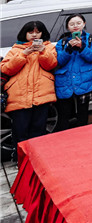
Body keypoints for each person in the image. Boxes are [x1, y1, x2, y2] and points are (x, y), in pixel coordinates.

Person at [1, 21, 58, 155]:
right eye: (30, 32)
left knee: (38, 131)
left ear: (42, 34)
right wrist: (24, 54)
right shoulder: (15, 49)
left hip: (41, 96)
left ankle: (36, 160)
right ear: (24, 34)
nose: (34, 35)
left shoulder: (48, 47)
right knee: (20, 131)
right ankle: (20, 159)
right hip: (19, 97)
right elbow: (5, 69)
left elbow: (51, 64)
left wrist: (43, 51)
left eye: (38, 32)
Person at [54, 14, 92, 131]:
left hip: (85, 81)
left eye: (78, 23)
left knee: (83, 112)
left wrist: (82, 47)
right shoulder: (62, 42)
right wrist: (68, 48)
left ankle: (82, 136)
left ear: (84, 24)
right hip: (65, 81)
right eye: (71, 24)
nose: (75, 26)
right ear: (67, 27)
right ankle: (64, 137)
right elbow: (59, 61)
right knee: (64, 114)